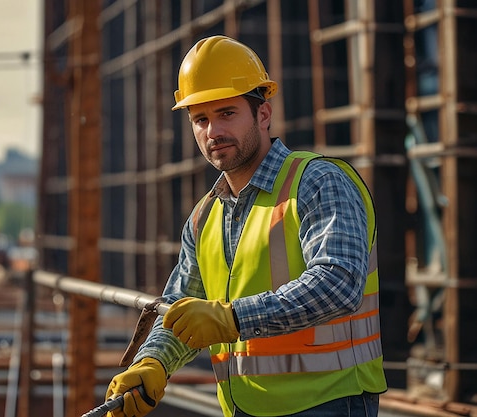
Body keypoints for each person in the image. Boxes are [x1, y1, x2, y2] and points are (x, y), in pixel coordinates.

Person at [105, 35, 387, 417]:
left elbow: (339, 285)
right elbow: (179, 307)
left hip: (330, 403)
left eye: (226, 113)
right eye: (200, 119)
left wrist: (231, 318)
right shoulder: (205, 216)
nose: (212, 132)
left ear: (264, 114)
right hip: (244, 409)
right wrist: (153, 361)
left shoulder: (318, 181)